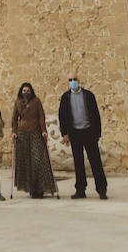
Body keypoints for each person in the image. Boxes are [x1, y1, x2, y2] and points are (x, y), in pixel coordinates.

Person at [59, 71, 108, 199]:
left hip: (89, 131)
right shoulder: (65, 97)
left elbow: (96, 114)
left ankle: (102, 189)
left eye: (75, 79)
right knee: (78, 162)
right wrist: (64, 133)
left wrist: (97, 132)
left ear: (79, 80)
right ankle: (80, 190)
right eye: (70, 80)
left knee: (95, 161)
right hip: (74, 132)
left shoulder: (88, 95)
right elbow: (62, 116)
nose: (73, 82)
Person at [11, 81, 54, 198]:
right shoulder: (18, 102)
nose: (26, 92)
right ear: (21, 91)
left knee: (38, 161)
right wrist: (14, 132)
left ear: (31, 91)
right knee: (26, 162)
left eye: (28, 91)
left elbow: (41, 116)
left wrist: (43, 130)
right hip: (22, 135)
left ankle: (40, 188)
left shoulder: (36, 101)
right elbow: (14, 119)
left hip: (35, 133)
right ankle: (31, 188)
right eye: (24, 91)